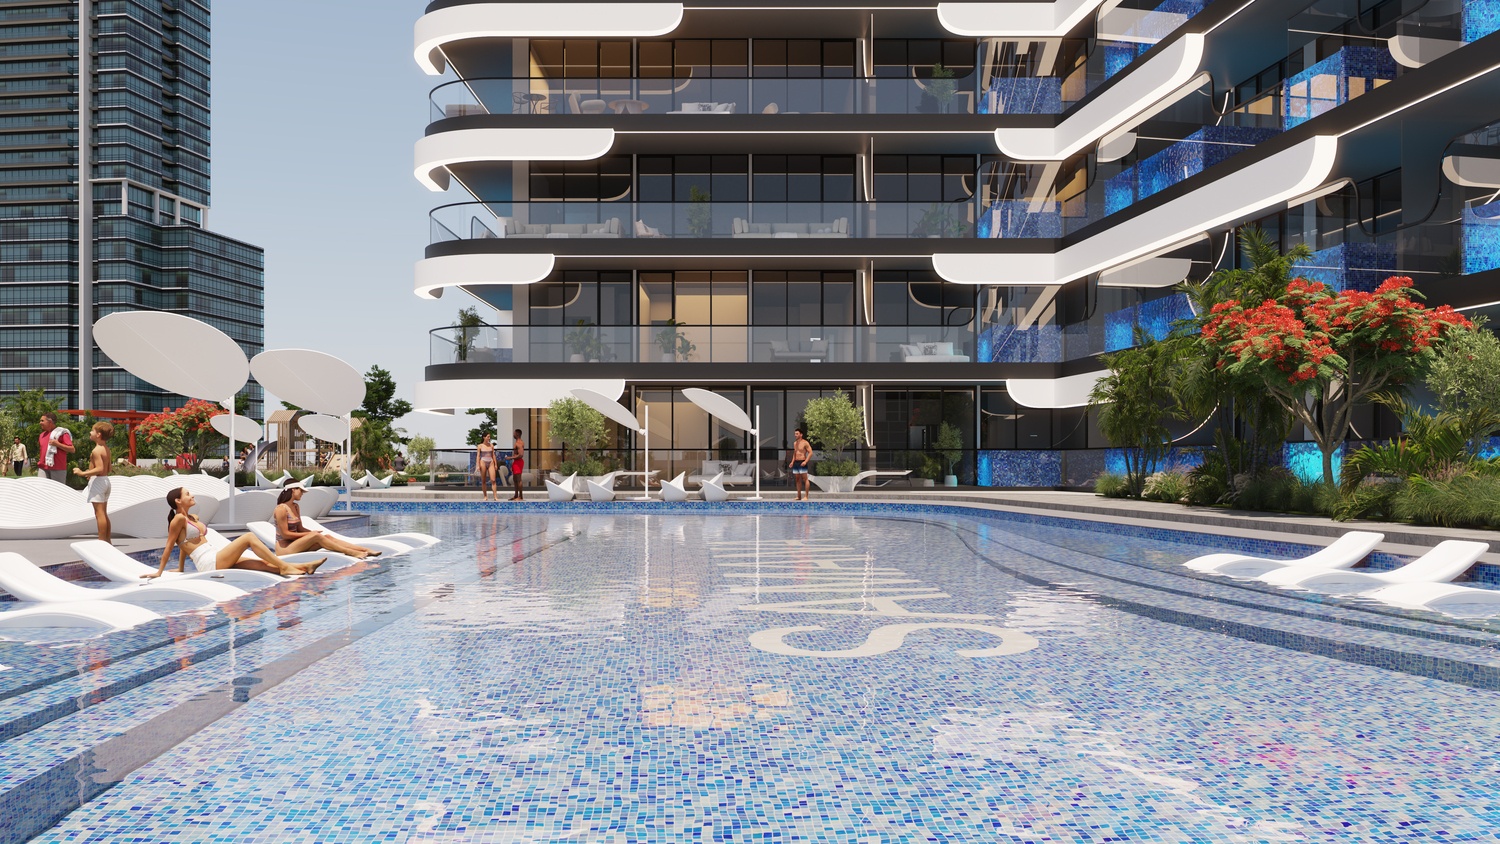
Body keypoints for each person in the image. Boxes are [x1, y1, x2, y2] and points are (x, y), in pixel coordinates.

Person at [148, 487, 322, 578]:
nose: (191, 495)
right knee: (248, 537)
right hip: (208, 562)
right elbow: (171, 546)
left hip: (216, 556)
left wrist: (180, 568)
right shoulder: (178, 519)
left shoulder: (193, 517)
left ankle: (305, 567)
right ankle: (285, 567)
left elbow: (184, 544)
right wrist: (159, 572)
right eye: (187, 494)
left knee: (262, 565)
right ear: (178, 501)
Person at [273, 486, 381, 558]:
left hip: (296, 544)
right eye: (301, 491)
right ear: (293, 490)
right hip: (285, 549)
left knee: (327, 537)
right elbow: (285, 535)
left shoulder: (295, 506)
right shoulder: (281, 509)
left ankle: (365, 549)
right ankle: (351, 553)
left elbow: (300, 528)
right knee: (316, 536)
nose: (302, 493)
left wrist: (312, 533)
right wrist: (311, 535)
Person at [73, 421, 113, 543]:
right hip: (105, 481)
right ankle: (107, 540)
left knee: (99, 513)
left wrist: (82, 473)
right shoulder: (106, 449)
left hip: (99, 482)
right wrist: (91, 472)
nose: (90, 432)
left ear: (98, 434)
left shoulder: (96, 450)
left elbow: (100, 468)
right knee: (104, 513)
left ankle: (101, 542)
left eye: (92, 431)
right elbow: (108, 468)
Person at [36, 411, 74, 483]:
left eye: (42, 421)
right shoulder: (42, 435)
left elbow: (72, 449)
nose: (40, 423)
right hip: (43, 467)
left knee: (57, 492)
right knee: (41, 490)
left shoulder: (62, 433)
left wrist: (58, 444)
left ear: (50, 422)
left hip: (58, 468)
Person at [789, 427, 813, 501]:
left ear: (801, 434)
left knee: (805, 479)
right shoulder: (795, 443)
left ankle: (806, 496)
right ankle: (799, 496)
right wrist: (792, 462)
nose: (795, 435)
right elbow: (795, 453)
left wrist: (805, 461)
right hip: (796, 462)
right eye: (795, 434)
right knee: (797, 479)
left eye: (797, 434)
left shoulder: (805, 443)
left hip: (802, 461)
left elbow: (811, 453)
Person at [476, 432, 498, 501]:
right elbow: (478, 456)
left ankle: (495, 496)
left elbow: (493, 455)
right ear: (484, 437)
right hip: (483, 461)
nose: (489, 438)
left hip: (490, 461)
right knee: (483, 480)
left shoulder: (491, 445)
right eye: (488, 437)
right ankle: (485, 496)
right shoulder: (480, 446)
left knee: (493, 480)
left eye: (489, 437)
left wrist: (495, 464)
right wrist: (478, 465)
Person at [509, 428, 526, 501]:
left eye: (514, 433)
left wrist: (510, 457)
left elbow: (521, 455)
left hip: (518, 462)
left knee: (519, 479)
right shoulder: (517, 442)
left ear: (517, 434)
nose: (513, 434)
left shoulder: (519, 443)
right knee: (515, 479)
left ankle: (521, 496)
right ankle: (516, 495)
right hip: (515, 462)